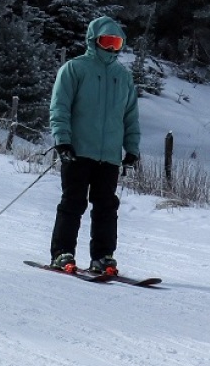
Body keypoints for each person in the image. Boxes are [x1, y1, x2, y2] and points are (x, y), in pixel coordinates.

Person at [48, 16, 140, 274]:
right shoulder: (75, 69)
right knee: (73, 203)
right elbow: (60, 107)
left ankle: (103, 256)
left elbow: (130, 115)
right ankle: (62, 253)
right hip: (78, 151)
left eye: (117, 42)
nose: (111, 48)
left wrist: (131, 148)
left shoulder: (123, 77)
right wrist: (62, 141)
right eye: (106, 41)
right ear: (93, 40)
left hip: (109, 156)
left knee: (106, 207)